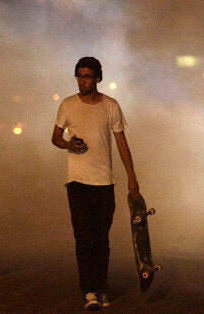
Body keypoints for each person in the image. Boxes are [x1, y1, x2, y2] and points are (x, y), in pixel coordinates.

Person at [51, 56, 141, 310]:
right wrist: (69, 144)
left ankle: (101, 288)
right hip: (77, 182)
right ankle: (89, 291)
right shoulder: (68, 105)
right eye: (79, 76)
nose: (83, 81)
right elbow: (55, 137)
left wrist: (132, 179)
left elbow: (122, 144)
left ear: (98, 78)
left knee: (101, 239)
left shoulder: (111, 106)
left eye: (88, 76)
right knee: (83, 238)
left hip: (104, 183)